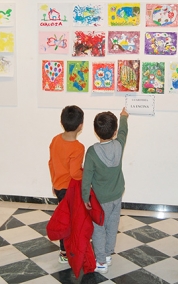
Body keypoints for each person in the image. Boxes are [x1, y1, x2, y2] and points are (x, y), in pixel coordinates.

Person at [82, 107, 129, 274]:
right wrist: (124, 117)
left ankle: (101, 261)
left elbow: (86, 177)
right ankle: (108, 255)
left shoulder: (92, 152)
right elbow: (124, 132)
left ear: (96, 131)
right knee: (112, 225)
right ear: (114, 131)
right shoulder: (119, 145)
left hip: (99, 200)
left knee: (99, 228)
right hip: (117, 196)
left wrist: (85, 196)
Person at [48, 105, 84, 264]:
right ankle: (65, 251)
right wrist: (87, 175)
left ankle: (66, 248)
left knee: (64, 218)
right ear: (80, 126)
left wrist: (54, 181)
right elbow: (75, 173)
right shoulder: (78, 148)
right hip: (70, 190)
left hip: (58, 186)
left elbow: (51, 163)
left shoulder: (55, 140)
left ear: (61, 123)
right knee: (68, 221)